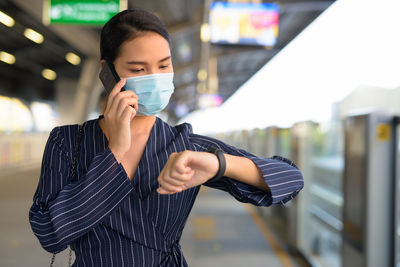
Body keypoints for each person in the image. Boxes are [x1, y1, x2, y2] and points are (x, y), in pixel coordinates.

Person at [29, 8, 304, 267]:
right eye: (138, 70)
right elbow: (49, 235)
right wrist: (115, 153)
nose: (155, 78)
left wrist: (218, 164)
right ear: (107, 71)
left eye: (163, 66)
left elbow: (290, 180)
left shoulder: (185, 145)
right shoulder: (67, 142)